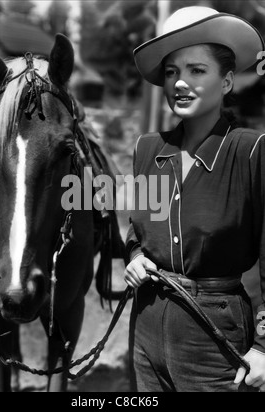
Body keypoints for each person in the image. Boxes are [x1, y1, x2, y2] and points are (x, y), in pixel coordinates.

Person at [125, 6, 265, 392]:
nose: (180, 83)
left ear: (227, 81)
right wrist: (136, 257)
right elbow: (136, 230)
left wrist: (264, 346)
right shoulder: (147, 149)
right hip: (146, 325)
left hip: (216, 340)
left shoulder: (251, 152)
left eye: (196, 70)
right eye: (172, 72)